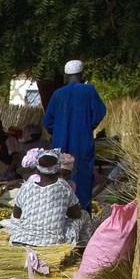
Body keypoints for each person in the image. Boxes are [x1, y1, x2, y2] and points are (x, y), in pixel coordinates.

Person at [43, 60, 108, 209]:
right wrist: (87, 127)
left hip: (60, 143)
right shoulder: (89, 90)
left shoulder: (57, 94)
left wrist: (60, 131)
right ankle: (81, 216)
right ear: (82, 75)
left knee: (60, 176)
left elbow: (48, 121)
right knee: (82, 178)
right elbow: (99, 113)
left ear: (66, 77)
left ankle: (59, 213)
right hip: (82, 142)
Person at [9, 150, 81, 246]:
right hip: (51, 242)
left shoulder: (26, 187)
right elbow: (76, 214)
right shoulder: (63, 186)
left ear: (37, 169)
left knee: (15, 221)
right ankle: (82, 250)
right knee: (84, 216)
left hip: (21, 239)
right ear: (57, 168)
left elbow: (16, 215)